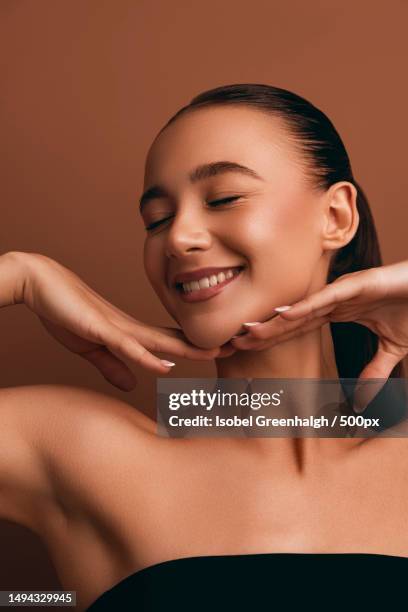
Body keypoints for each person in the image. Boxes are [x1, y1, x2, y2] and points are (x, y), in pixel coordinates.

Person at [1, 83, 408, 611]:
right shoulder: (87, 457)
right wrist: (20, 276)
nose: (177, 238)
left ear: (335, 218)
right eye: (157, 220)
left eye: (224, 198)